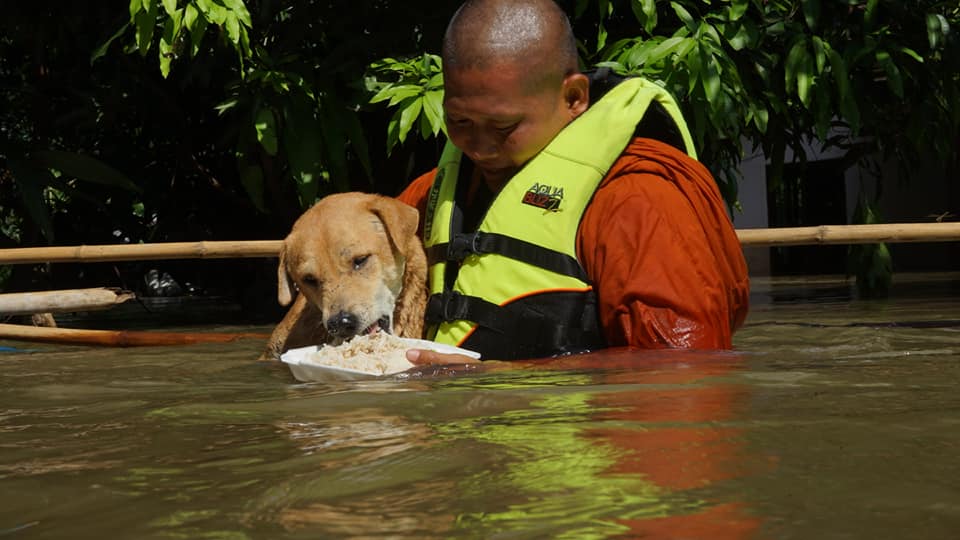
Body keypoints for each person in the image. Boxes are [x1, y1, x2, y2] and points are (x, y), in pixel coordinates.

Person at [399, 0, 749, 364]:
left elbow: (684, 379)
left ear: (574, 98)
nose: (480, 149)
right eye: (460, 122)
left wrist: (496, 382)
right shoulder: (431, 196)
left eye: (504, 127)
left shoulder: (641, 199)